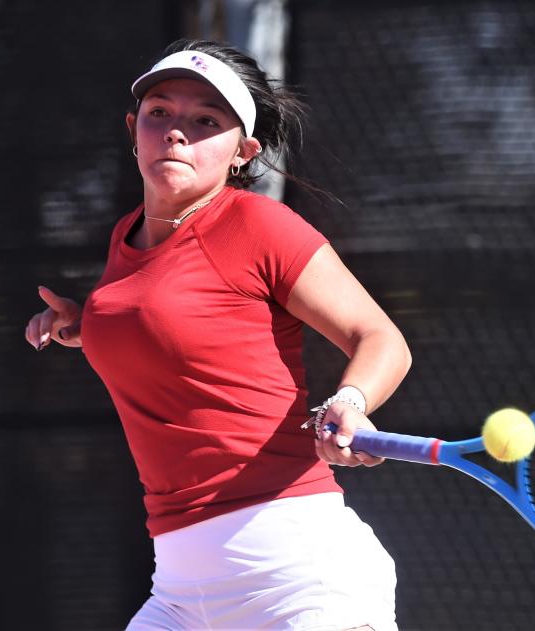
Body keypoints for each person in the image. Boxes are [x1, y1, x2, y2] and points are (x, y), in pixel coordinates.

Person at [25, 39, 411, 631]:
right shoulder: (127, 234)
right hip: (180, 590)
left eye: (206, 120)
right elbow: (179, 323)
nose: (176, 131)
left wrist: (350, 402)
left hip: (300, 577)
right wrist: (91, 322)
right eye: (160, 112)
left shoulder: (256, 224)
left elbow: (379, 337)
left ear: (243, 152)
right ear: (134, 129)